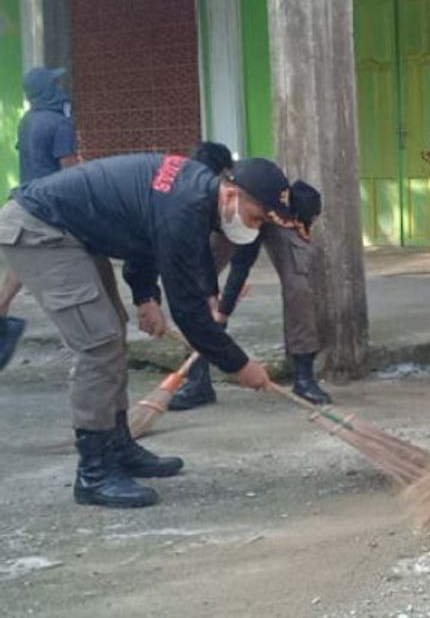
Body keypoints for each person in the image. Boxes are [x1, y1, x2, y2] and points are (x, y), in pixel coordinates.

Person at [0, 152, 288, 508]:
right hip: (41, 229)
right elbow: (189, 313)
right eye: (255, 216)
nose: (255, 227)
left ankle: (117, 444)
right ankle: (94, 473)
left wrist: (145, 296)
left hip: (74, 231)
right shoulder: (185, 208)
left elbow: (143, 230)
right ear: (231, 195)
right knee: (98, 342)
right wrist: (240, 365)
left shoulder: (195, 192)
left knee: (111, 333)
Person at [170, 171, 331, 409]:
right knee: (198, 283)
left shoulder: (288, 211)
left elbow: (244, 263)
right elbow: (241, 262)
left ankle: (304, 377)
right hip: (238, 213)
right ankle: (197, 379)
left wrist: (224, 312)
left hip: (268, 212)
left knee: (298, 287)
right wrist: (219, 310)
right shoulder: (247, 203)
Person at [0, 67, 80, 365]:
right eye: (55, 84)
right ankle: (79, 340)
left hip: (24, 202)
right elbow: (70, 171)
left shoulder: (27, 120)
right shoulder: (60, 124)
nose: (61, 88)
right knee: (71, 271)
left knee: (19, 270)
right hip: (52, 208)